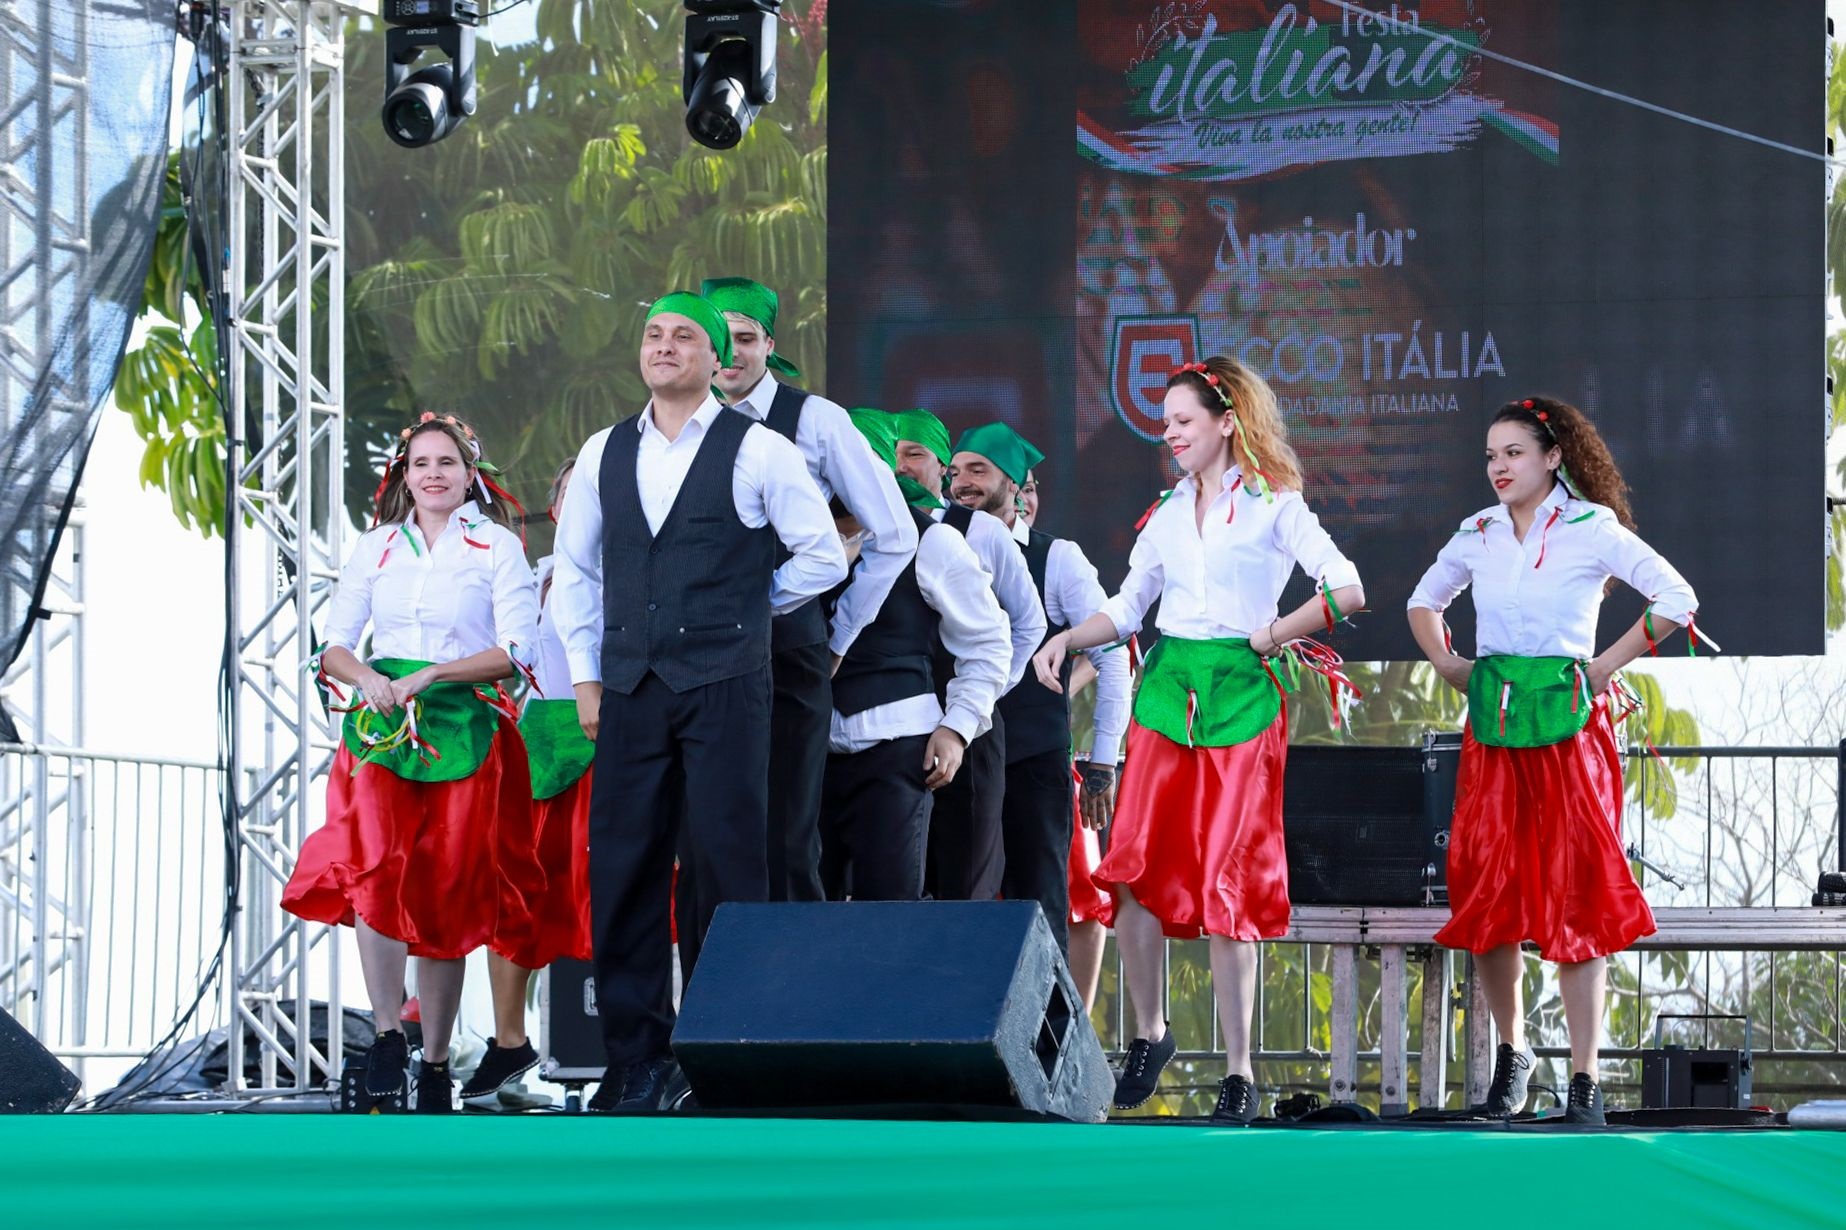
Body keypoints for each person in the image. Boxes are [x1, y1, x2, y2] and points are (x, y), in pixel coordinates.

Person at [1032, 356, 1364, 1123]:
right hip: (1166, 695)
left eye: (1183, 420)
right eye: (1166, 423)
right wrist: (1069, 639)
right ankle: (1150, 1034)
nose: (1171, 434)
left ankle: (1240, 1072)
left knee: (1228, 879)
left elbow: (1346, 590)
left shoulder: (1277, 505)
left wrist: (1272, 634)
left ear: (1227, 421)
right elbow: (1128, 608)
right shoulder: (1167, 512)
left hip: (1241, 695)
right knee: (1131, 866)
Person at [549, 291, 847, 1113]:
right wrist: (585, 677)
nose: (664, 346)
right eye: (654, 334)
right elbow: (575, 570)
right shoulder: (605, 449)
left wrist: (750, 606)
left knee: (726, 864)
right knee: (623, 865)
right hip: (630, 686)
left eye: (685, 336)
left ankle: (723, 1049)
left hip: (727, 684)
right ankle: (635, 1057)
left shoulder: (759, 449)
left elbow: (824, 555)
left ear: (718, 360)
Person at [1406, 395, 1705, 1126]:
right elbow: (1422, 601)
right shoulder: (1477, 531)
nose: (1499, 467)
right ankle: (1514, 1054)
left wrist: (1601, 669)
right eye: (1490, 456)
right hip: (1494, 727)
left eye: (1514, 452)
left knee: (1577, 891)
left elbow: (1677, 598)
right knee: (1486, 888)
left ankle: (1585, 1078)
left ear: (1552, 456)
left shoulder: (1590, 527)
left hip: (1568, 729)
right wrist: (1448, 663)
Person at [283, 412, 543, 1114]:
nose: (433, 474)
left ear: (470, 475)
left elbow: (517, 651)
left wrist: (432, 675)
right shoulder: (376, 547)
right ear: (404, 475)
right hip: (383, 726)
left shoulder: (495, 546)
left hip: (463, 723)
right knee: (373, 866)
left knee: (444, 889)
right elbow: (334, 644)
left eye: (446, 463)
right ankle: (386, 1035)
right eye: (421, 463)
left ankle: (434, 1060)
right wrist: (367, 676)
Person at [698, 277, 917, 910]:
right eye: (720, 340)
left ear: (770, 344)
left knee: (789, 834)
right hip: (701, 657)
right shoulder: (682, 425)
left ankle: (794, 969)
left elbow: (895, 533)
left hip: (788, 649)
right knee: (711, 833)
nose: (732, 353)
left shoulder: (817, 419)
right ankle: (722, 970)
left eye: (745, 338)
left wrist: (838, 636)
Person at [949, 424, 1129, 955]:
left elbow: (1113, 655)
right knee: (955, 904)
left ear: (1014, 483)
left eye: (978, 470)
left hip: (1031, 761)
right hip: (958, 759)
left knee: (1040, 908)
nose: (962, 483)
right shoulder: (937, 543)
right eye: (955, 472)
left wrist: (1102, 763)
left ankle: (1047, 1013)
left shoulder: (1057, 558)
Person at [817, 410, 1011, 901]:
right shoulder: (792, 540)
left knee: (891, 911)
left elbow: (988, 641)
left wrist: (957, 727)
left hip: (897, 748)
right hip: (806, 752)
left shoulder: (932, 541)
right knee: (803, 912)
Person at [460, 457, 593, 1102]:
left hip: (605, 742)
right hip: (534, 744)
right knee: (514, 896)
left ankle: (632, 1049)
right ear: (556, 506)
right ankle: (510, 1046)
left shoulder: (632, 571)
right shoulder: (529, 574)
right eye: (569, 491)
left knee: (604, 895)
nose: (580, 501)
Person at [891, 408, 1045, 901]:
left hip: (969, 722)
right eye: (891, 454)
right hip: (897, 722)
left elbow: (1029, 622)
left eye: (914, 454)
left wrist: (984, 697)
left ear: (940, 465)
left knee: (965, 866)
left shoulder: (980, 530)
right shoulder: (870, 528)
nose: (900, 466)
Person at [1022, 473, 1118, 1011]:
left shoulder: (1057, 559)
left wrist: (1059, 688)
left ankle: (1072, 1030)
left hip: (1045, 755)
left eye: (1032, 487)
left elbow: (1115, 650)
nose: (1025, 499)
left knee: (1078, 887)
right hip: (966, 752)